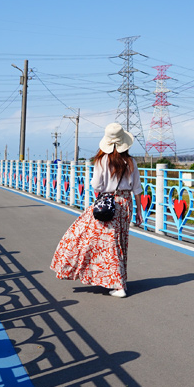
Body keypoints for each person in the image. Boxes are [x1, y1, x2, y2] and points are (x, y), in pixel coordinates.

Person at [50, 123, 143, 298]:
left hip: (107, 203)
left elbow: (96, 185)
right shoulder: (131, 162)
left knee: (92, 239)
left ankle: (118, 284)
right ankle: (117, 281)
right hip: (125, 203)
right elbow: (137, 189)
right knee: (119, 242)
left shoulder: (101, 160)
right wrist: (139, 212)